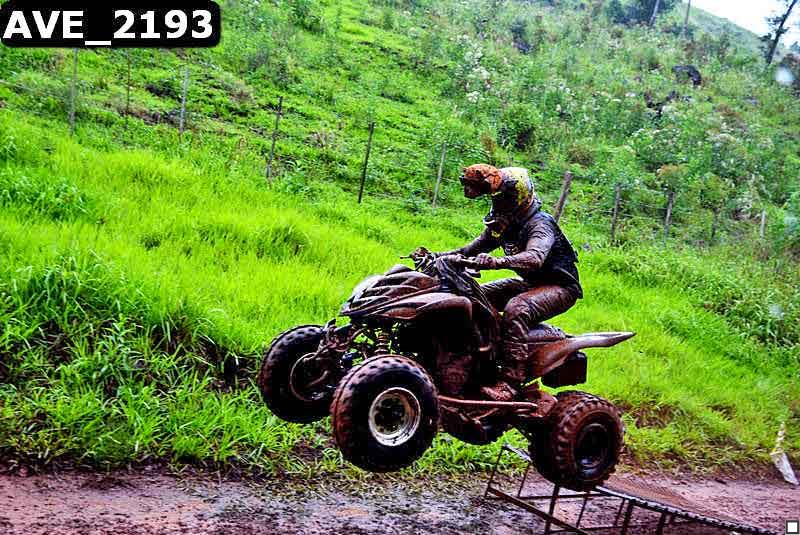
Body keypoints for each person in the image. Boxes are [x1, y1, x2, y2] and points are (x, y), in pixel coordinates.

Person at [434, 164, 582, 402]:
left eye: (505, 198)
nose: (500, 203)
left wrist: (496, 262)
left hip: (560, 287)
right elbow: (471, 248)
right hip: (530, 283)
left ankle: (510, 382)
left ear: (519, 196)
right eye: (497, 198)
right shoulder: (504, 224)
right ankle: (474, 361)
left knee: (517, 309)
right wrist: (437, 256)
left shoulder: (540, 224)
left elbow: (534, 258)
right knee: (473, 297)